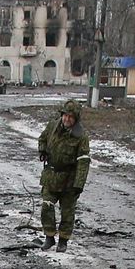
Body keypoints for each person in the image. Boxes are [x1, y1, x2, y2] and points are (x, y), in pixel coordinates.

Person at [37, 99, 91, 251]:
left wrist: (78, 184)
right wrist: (42, 150)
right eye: (65, 115)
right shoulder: (53, 126)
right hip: (51, 175)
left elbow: (83, 161)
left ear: (76, 119)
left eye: (71, 117)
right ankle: (49, 237)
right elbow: (42, 138)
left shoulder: (81, 136)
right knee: (46, 206)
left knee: (67, 211)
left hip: (69, 178)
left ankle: (63, 240)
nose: (67, 119)